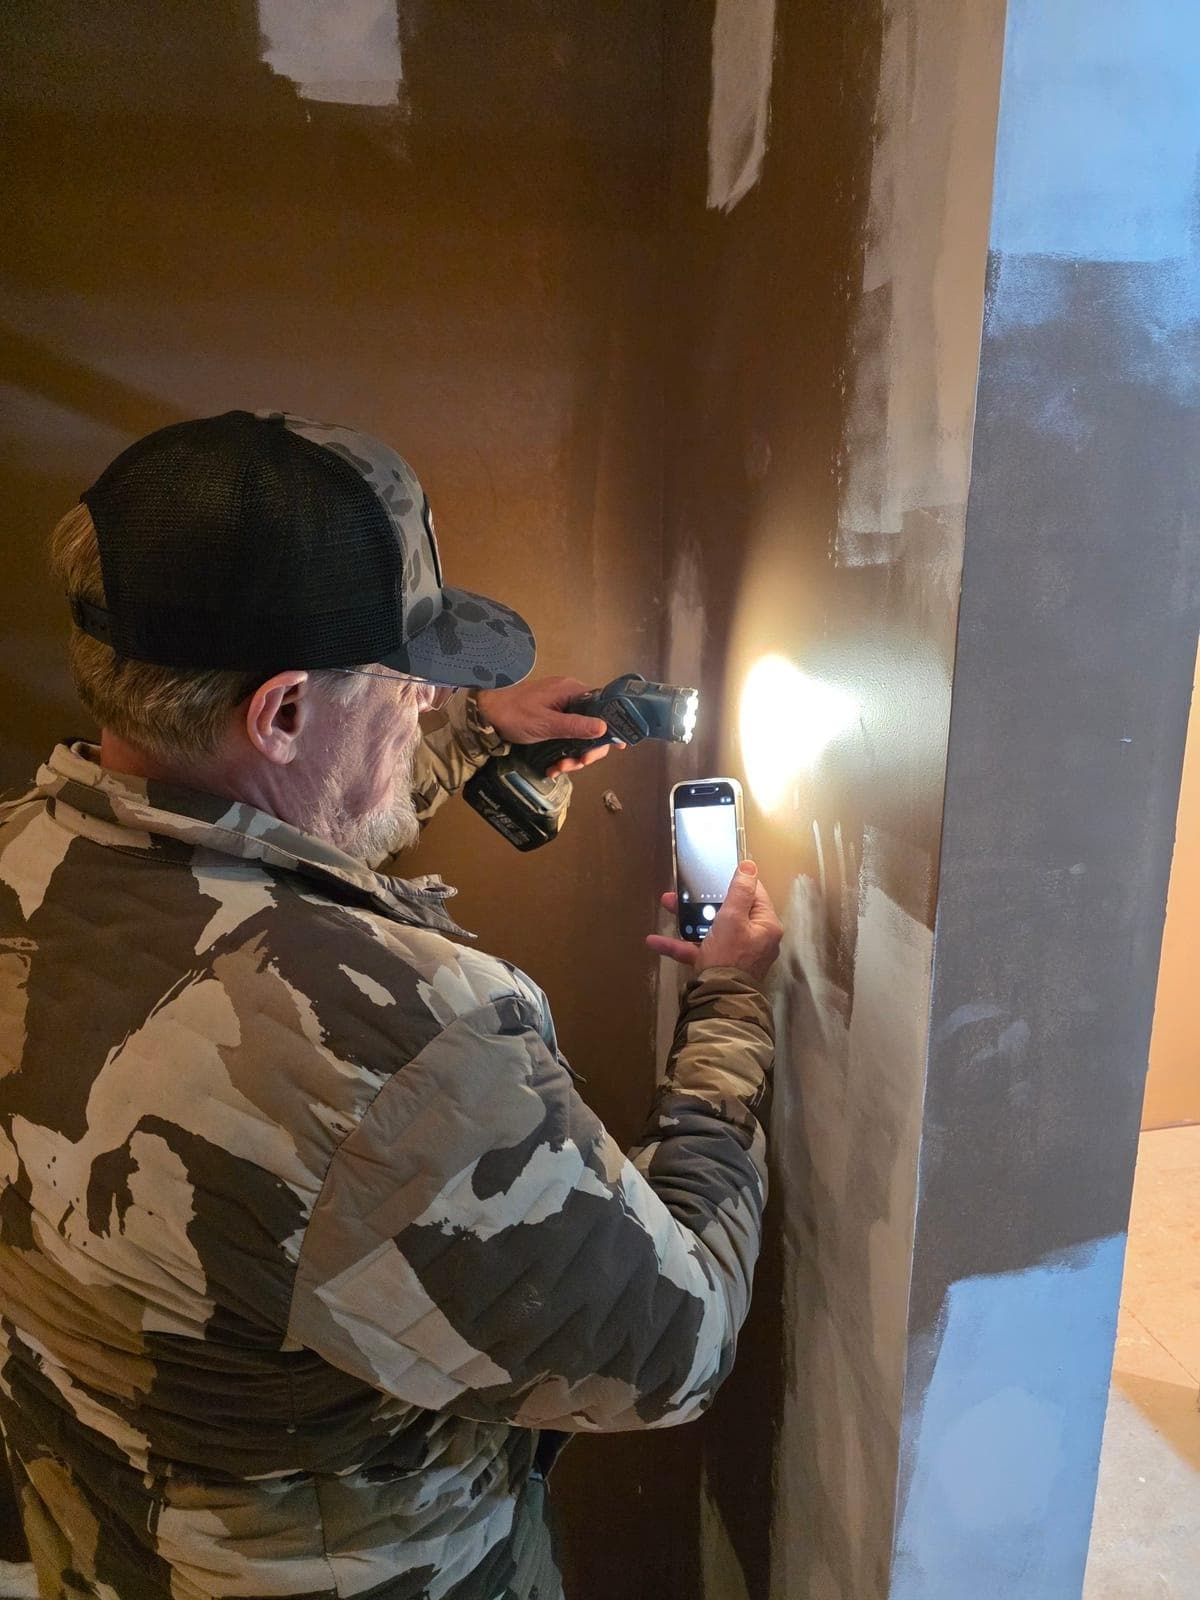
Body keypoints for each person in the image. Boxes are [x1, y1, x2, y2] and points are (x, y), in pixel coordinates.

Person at [0, 411, 781, 1600]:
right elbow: (679, 1342)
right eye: (405, 683)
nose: (425, 700)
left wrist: (468, 740)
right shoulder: (394, 1047)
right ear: (282, 712)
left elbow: (239, 833)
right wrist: (725, 1013)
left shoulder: (24, 859)